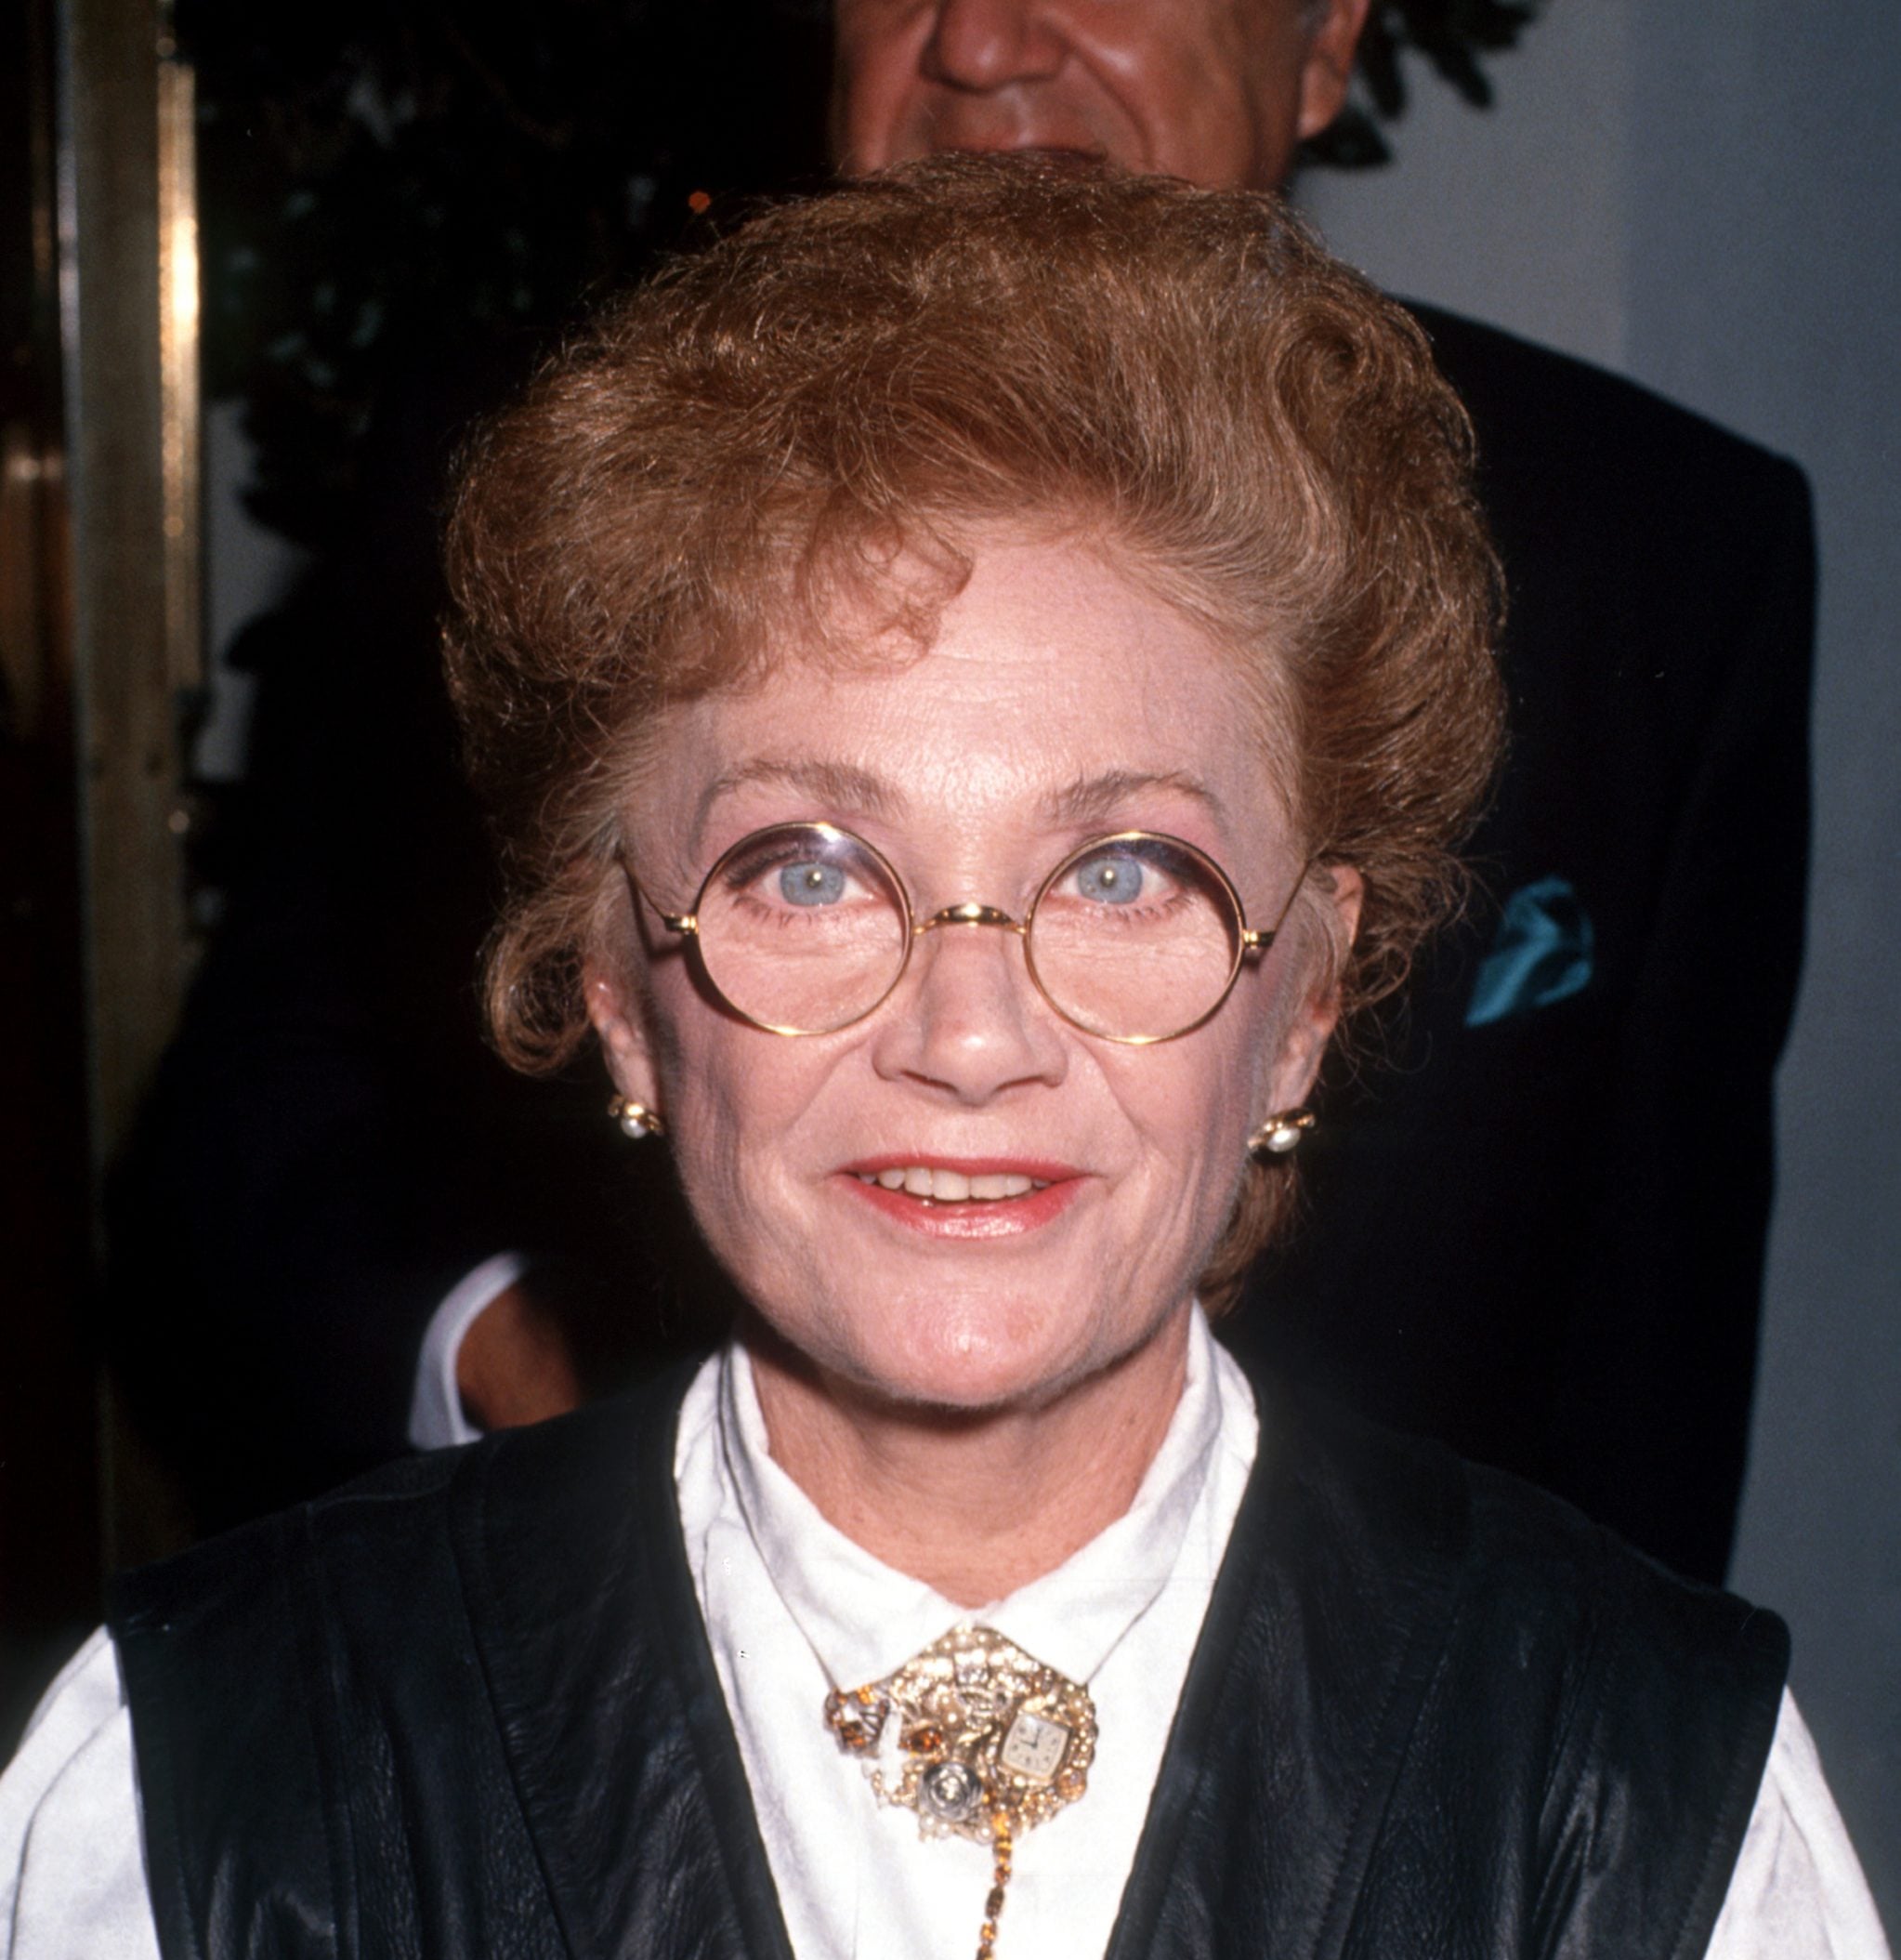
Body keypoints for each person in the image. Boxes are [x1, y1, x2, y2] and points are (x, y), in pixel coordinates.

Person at [6, 162, 1893, 1960]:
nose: (970, 1032)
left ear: (1306, 993)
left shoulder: (1637, 1796)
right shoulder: (212, 1779)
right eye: (810, 868)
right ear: (618, 989)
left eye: (1125, 869)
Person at [116, 0, 1812, 1593]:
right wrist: (542, 1369)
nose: (983, 45)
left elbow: (1650, 1351)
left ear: (1322, 44)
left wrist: (1574, 1754)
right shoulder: (536, 480)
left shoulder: (1652, 548)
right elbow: (271, 1114)